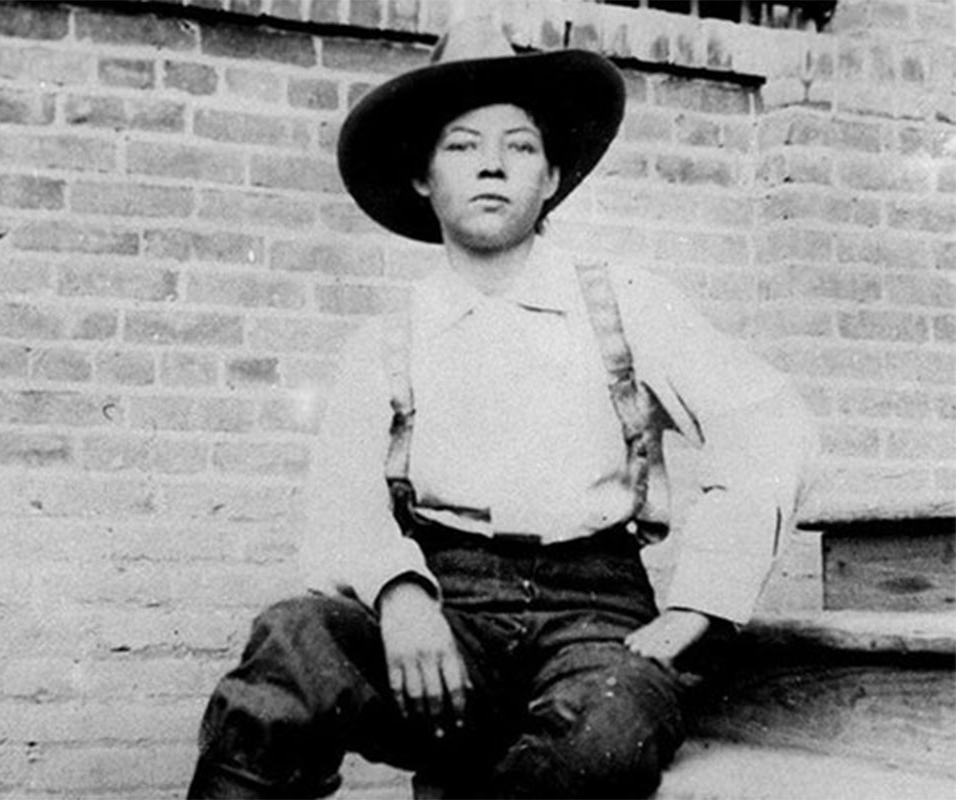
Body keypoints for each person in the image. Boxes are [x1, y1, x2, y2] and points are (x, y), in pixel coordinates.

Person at [187, 16, 816, 800]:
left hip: (597, 615)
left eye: (519, 146)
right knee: (293, 641)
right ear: (422, 178)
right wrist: (400, 592)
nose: (491, 166)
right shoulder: (389, 339)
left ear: (551, 177)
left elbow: (764, 421)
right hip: (449, 617)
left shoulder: (623, 303)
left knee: (608, 731)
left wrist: (701, 605)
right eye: (461, 145)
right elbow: (341, 500)